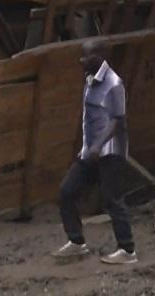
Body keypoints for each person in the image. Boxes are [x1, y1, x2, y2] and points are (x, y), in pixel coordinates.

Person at [52, 39, 136, 264]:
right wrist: (89, 148)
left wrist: (99, 144)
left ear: (101, 56)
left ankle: (127, 250)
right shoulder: (89, 81)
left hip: (110, 152)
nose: (82, 60)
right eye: (82, 55)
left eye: (87, 56)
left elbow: (118, 120)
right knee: (66, 192)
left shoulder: (114, 83)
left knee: (112, 200)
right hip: (90, 152)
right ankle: (77, 242)